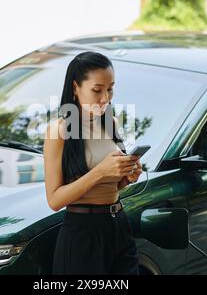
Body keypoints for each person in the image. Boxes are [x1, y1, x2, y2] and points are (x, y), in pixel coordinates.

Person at [43, 51, 143, 275]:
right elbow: (55, 200)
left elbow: (111, 186)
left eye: (110, 89)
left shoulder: (111, 123)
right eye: (97, 90)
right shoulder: (58, 131)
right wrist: (100, 172)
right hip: (83, 234)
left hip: (118, 225)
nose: (105, 98)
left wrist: (127, 176)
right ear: (75, 88)